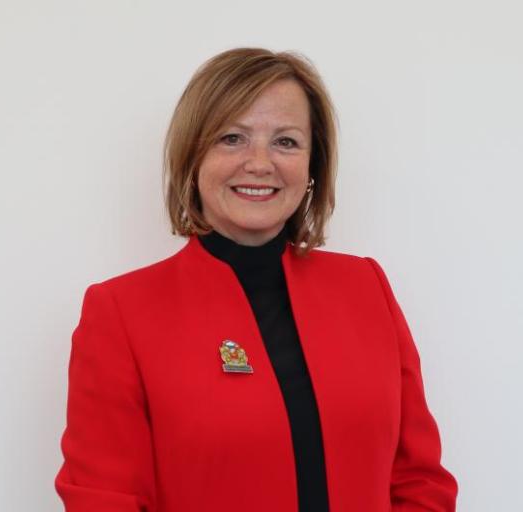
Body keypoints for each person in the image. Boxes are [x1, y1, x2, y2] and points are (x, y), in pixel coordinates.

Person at [54, 47, 458, 512]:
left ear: (312, 167)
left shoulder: (366, 286)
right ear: (193, 157)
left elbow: (420, 482)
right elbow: (105, 501)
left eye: (286, 141)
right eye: (232, 138)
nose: (260, 163)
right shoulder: (121, 312)